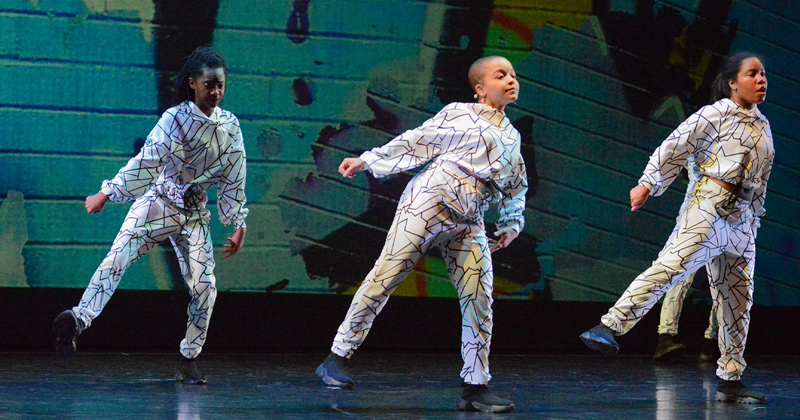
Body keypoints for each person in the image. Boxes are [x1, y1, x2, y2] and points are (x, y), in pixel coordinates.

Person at [315, 56, 527, 413]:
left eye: (513, 75)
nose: (510, 80)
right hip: (431, 200)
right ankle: (336, 356)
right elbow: (419, 140)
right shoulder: (461, 112)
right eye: (500, 75)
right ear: (479, 89)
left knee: (479, 296)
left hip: (469, 218)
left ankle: (475, 386)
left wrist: (510, 225)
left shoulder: (512, 136)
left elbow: (515, 186)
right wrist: (368, 161)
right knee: (387, 274)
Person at [580, 52, 773, 404]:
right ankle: (609, 326)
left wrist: (753, 217)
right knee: (672, 266)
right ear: (733, 82)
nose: (761, 79)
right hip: (709, 205)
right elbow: (675, 146)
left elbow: (760, 175)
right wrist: (647, 184)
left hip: (743, 219)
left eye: (763, 74)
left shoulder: (762, 124)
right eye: (752, 74)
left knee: (737, 301)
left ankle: (730, 378)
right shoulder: (713, 114)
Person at [53, 46, 248, 385]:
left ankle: (189, 359)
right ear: (192, 84)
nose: (215, 92)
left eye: (220, 85)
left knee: (205, 287)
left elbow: (235, 173)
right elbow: (147, 161)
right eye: (208, 85)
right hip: (158, 202)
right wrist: (108, 192)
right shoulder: (175, 119)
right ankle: (77, 320)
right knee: (118, 258)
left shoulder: (230, 127)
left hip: (194, 214)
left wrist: (238, 222)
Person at [653, 161, 719, 362]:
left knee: (720, 284)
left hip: (718, 220)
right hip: (698, 218)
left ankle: (710, 342)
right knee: (681, 278)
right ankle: (667, 337)